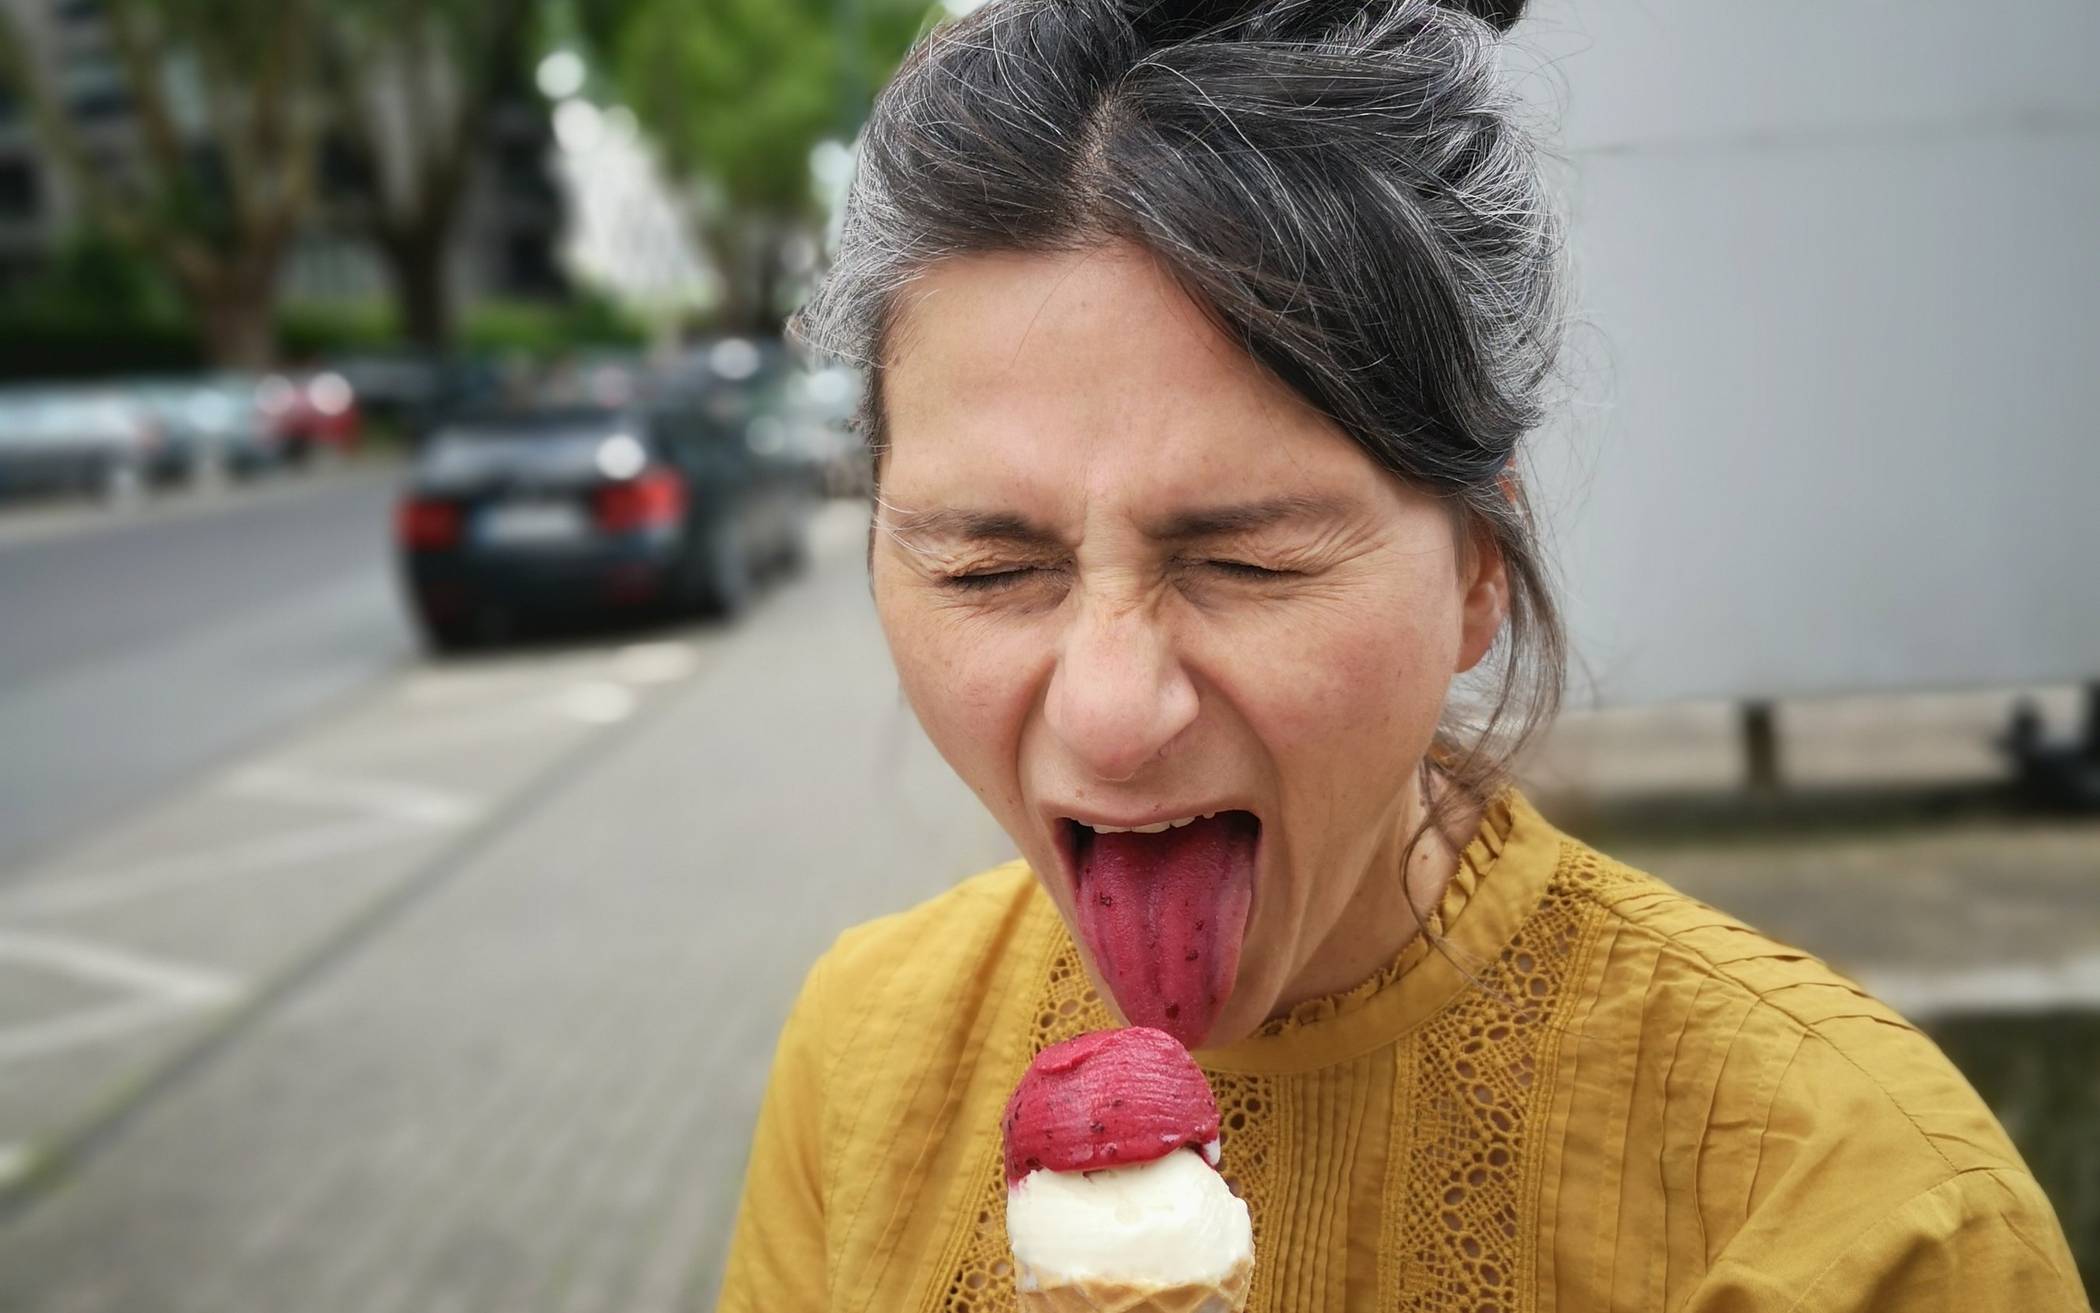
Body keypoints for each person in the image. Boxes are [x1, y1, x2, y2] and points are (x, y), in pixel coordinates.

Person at [716, 1, 2087, 1308]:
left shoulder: (1852, 1212)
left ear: (1481, 559)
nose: (1113, 711)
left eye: (1243, 560)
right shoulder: (866, 1056)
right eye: (989, 569)